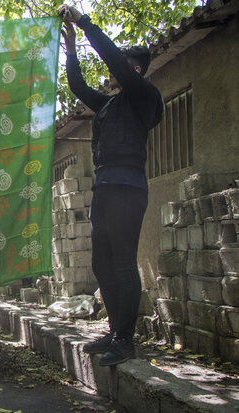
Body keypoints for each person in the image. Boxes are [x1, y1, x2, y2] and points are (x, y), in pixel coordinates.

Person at [58, 5, 163, 366]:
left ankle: (124, 340)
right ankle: (114, 331)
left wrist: (83, 22)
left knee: (121, 263)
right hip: (104, 188)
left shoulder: (144, 96)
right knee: (102, 265)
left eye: (123, 64)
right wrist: (71, 49)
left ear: (134, 69)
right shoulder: (109, 104)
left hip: (127, 187)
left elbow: (113, 60)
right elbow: (78, 87)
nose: (114, 71)